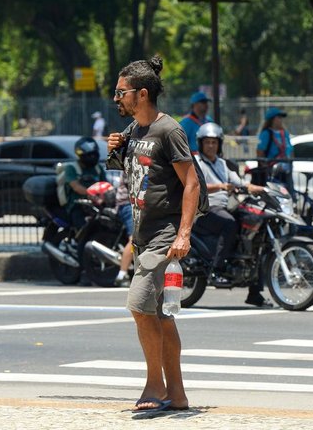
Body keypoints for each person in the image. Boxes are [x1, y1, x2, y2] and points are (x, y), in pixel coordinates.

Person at [106, 55, 199, 413]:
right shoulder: (134, 131)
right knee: (161, 315)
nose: (116, 99)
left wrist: (184, 234)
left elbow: (190, 182)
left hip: (165, 233)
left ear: (141, 94)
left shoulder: (168, 130)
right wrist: (114, 148)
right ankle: (176, 394)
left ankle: (154, 383)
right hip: (143, 233)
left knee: (139, 305)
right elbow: (127, 171)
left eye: (121, 92)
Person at [191, 122, 270, 307]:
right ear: (201, 144)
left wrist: (258, 188)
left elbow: (239, 182)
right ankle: (217, 267)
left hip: (225, 207)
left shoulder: (222, 164)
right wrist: (220, 186)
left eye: (214, 142)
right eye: (207, 142)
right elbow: (195, 187)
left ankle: (254, 292)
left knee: (256, 232)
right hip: (205, 209)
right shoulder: (196, 164)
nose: (211, 146)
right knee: (229, 223)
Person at [63, 137, 106, 232]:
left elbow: (105, 185)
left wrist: (103, 197)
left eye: (94, 154)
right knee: (84, 230)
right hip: (77, 206)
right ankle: (80, 245)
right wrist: (91, 195)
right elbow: (75, 186)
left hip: (97, 205)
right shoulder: (72, 168)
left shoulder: (98, 168)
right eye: (89, 155)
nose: (93, 157)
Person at [255, 107, 294, 196]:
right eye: (278, 117)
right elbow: (260, 152)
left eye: (281, 118)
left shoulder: (284, 133)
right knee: (276, 195)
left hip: (286, 170)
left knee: (289, 195)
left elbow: (290, 149)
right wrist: (266, 168)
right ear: (272, 120)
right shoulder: (266, 133)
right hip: (272, 172)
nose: (281, 120)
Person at [114, 171, 134, 287]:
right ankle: (122, 275)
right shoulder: (132, 157)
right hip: (127, 204)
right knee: (134, 239)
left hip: (136, 203)